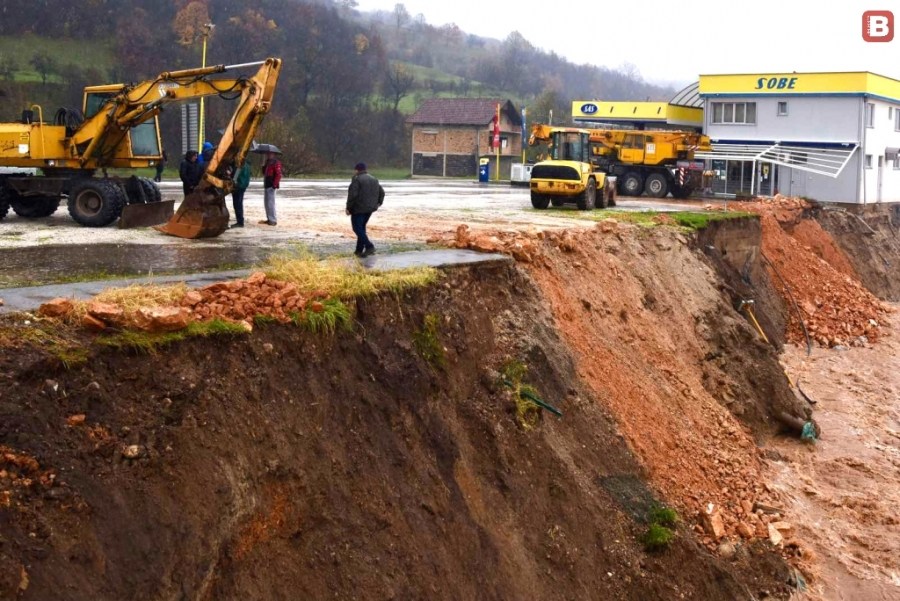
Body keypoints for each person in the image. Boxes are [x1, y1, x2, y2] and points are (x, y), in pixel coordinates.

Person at [346, 162, 384, 257]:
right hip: (370, 208)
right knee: (361, 228)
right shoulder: (374, 179)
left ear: (357, 170)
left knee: (357, 228)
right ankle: (358, 251)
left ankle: (369, 246)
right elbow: (382, 192)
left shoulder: (357, 179)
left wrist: (348, 208)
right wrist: (379, 203)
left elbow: (352, 195)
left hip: (359, 209)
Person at [260, 152, 282, 226]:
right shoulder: (267, 162)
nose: (268, 155)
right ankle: (269, 219)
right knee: (266, 203)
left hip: (271, 186)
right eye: (268, 154)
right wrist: (263, 166)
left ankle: (273, 220)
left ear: (274, 155)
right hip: (266, 184)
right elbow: (264, 173)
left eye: (270, 154)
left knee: (270, 203)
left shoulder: (276, 163)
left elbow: (278, 174)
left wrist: (274, 185)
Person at [230, 160, 251, 228]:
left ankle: (240, 222)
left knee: (237, 204)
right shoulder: (247, 165)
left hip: (238, 187)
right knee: (240, 204)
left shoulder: (239, 166)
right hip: (243, 186)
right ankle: (240, 221)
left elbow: (234, 178)